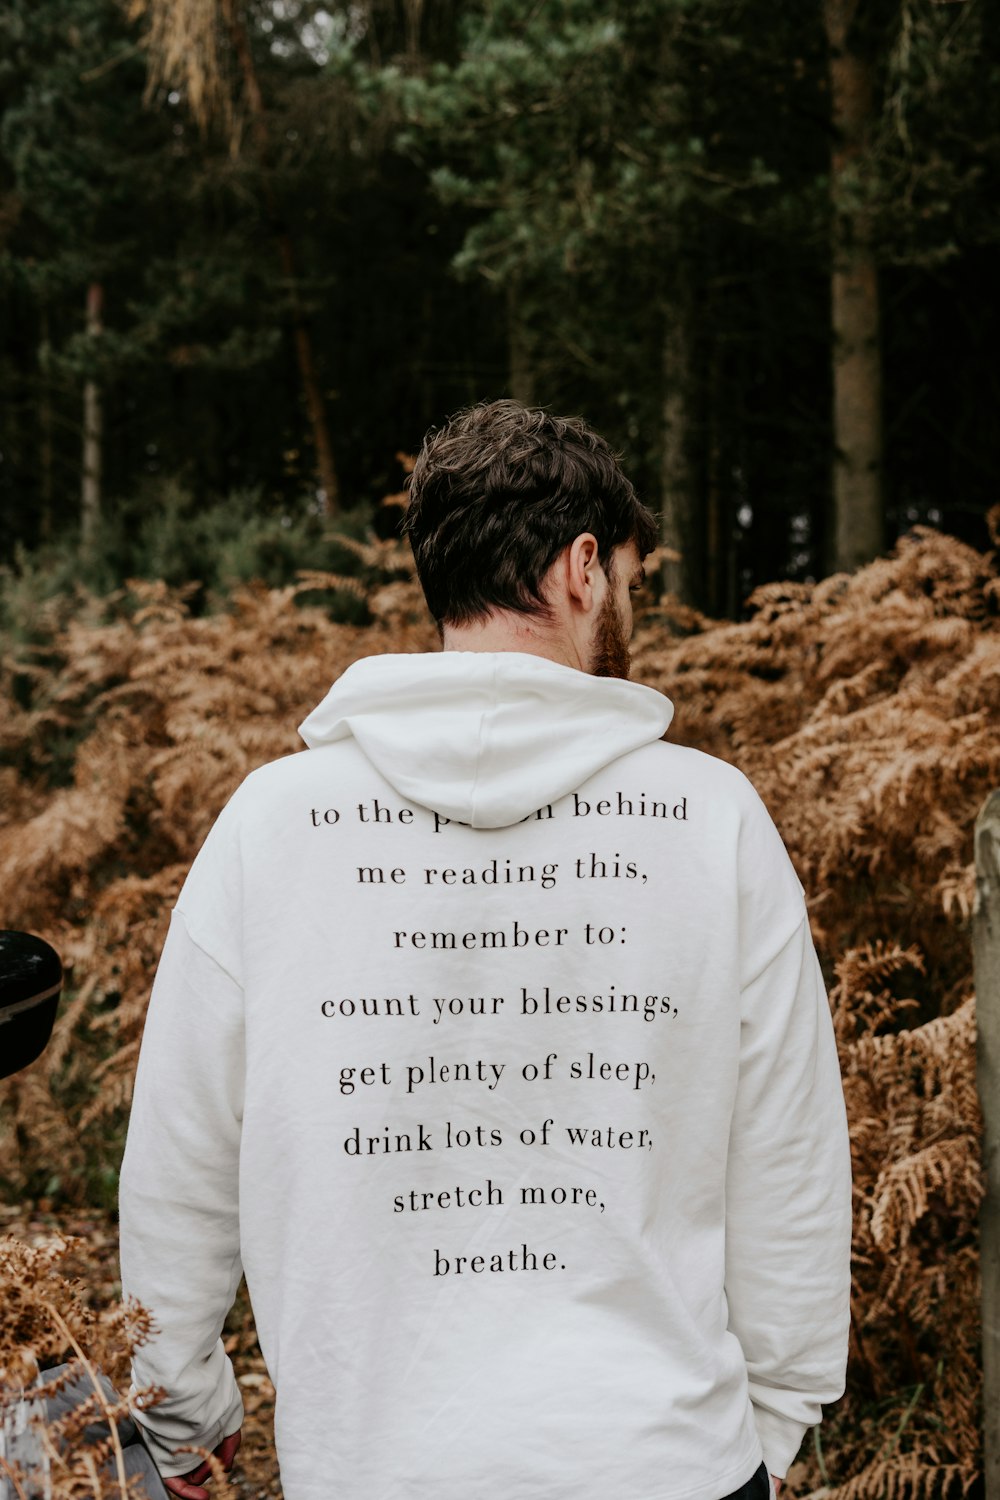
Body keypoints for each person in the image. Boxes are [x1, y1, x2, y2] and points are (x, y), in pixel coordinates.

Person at [119, 400, 852, 1500]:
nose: (626, 611)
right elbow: (787, 1160)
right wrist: (776, 1418)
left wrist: (181, 1410)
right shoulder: (712, 819)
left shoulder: (270, 825)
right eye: (632, 587)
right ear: (583, 568)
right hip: (663, 1462)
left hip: (376, 1469)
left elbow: (181, 1155)